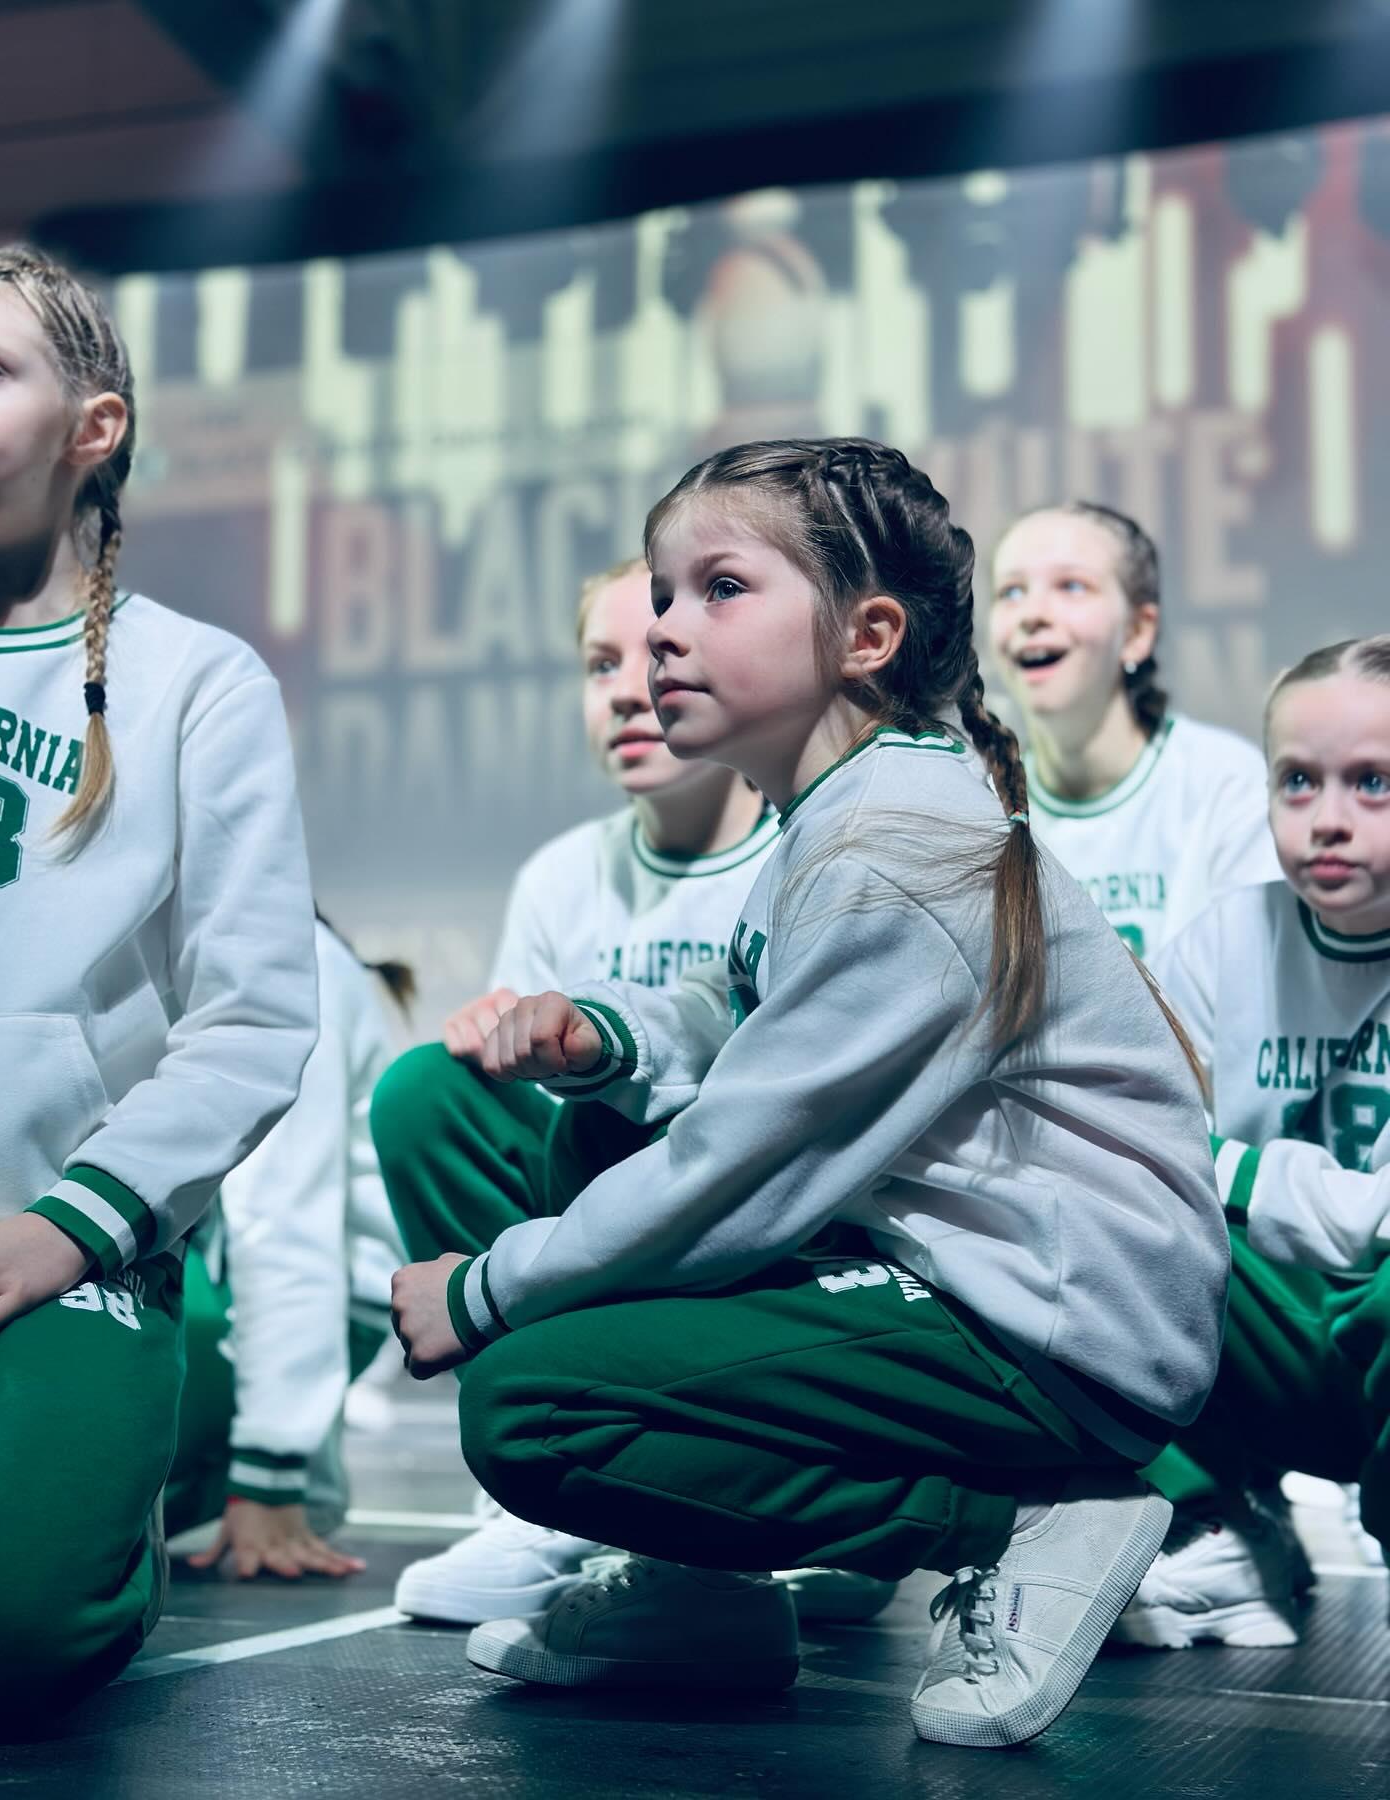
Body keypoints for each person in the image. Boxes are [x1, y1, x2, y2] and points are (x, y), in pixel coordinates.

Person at [391, 438, 1229, 1750]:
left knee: (534, 1409)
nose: (665, 632)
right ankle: (701, 1596)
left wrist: (489, 1288)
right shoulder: (839, 812)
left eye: (720, 589)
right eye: (661, 596)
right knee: (529, 1118)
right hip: (943, 1270)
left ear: (867, 636)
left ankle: (1030, 1520)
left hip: (1045, 1333)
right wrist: (605, 1035)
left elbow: (740, 1166)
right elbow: (746, 1019)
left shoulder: (896, 847)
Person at [0, 246, 316, 1731]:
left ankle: (107, 1528)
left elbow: (253, 1023)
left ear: (92, 429)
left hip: (58, 1254)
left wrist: (67, 1227)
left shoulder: (196, 685)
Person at [374, 555, 787, 1625]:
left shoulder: (796, 856)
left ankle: (759, 1485)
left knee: (660, 1123)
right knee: (428, 1092)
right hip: (599, 1215)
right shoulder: (562, 874)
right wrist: (502, 1039)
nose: (625, 691)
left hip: (761, 1229)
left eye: (653, 656)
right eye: (600, 664)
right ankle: (542, 1485)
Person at [1114, 635, 1390, 1649]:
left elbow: (1374, 1225)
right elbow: (1134, 1139)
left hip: (1378, 1336)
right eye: (1298, 781)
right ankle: (1222, 1521)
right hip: (1278, 1337)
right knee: (1101, 1220)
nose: (1328, 818)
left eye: (1373, 783)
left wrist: (1227, 1170)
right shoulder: (1224, 943)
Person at [166, 913, 413, 1581]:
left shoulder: (290, 958)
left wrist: (272, 1465)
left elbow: (285, 1217)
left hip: (293, 1307)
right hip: (226, 1289)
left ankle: (270, 1460)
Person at [990, 501, 1278, 962]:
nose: (1032, 614)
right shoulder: (985, 808)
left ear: (1138, 632)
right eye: (1011, 591)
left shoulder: (1226, 785)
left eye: (1071, 586)